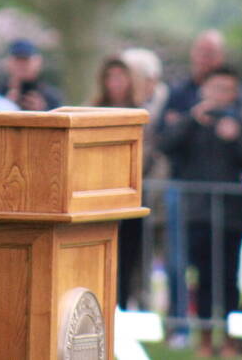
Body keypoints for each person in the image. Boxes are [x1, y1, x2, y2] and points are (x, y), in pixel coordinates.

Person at [158, 65, 242, 358]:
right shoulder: (192, 121)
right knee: (201, 279)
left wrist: (236, 137)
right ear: (205, 90)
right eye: (216, 88)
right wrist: (191, 120)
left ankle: (229, 339)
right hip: (198, 212)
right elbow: (166, 145)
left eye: (227, 89)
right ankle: (203, 340)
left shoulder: (241, 123)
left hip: (231, 215)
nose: (221, 95)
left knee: (229, 279)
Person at [155, 29, 228, 349]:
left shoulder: (234, 92)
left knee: (217, 263)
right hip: (182, 186)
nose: (204, 59)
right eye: (200, 52)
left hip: (221, 190)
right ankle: (179, 326)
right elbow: (165, 138)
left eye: (210, 53)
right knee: (177, 260)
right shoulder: (180, 91)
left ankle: (220, 331)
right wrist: (189, 119)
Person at [89, 56, 146, 310]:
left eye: (121, 77)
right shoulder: (91, 110)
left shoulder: (139, 111)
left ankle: (122, 305)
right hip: (99, 193)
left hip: (132, 193)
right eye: (111, 77)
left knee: (128, 257)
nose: (116, 83)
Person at [0, 39, 62, 111]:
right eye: (17, 60)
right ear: (8, 62)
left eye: (26, 60)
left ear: (38, 62)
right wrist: (5, 105)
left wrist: (43, 111)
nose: (21, 65)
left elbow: (60, 120)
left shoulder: (51, 96)